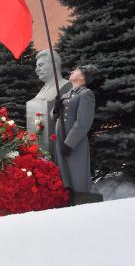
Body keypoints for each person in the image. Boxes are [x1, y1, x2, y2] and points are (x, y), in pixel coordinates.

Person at [52, 65, 97, 203]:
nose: (71, 71)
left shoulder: (86, 94)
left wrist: (69, 143)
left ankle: (81, 200)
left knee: (76, 172)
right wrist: (55, 109)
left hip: (74, 142)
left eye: (76, 70)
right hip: (61, 139)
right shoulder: (67, 94)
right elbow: (55, 117)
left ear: (83, 77)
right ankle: (68, 199)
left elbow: (83, 122)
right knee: (64, 173)